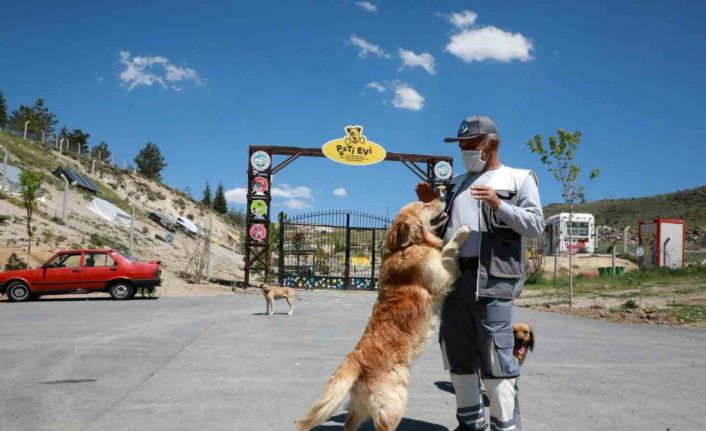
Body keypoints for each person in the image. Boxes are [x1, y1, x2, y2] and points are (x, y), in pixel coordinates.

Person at [416, 115, 544, 431]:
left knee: (496, 356)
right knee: (457, 351)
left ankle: (505, 427)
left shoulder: (519, 178)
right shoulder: (457, 183)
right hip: (453, 280)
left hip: (493, 279)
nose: (465, 150)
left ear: (492, 143)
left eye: (471, 144)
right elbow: (444, 229)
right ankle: (470, 424)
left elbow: (536, 225)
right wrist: (430, 205)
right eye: (461, 145)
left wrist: (499, 205)